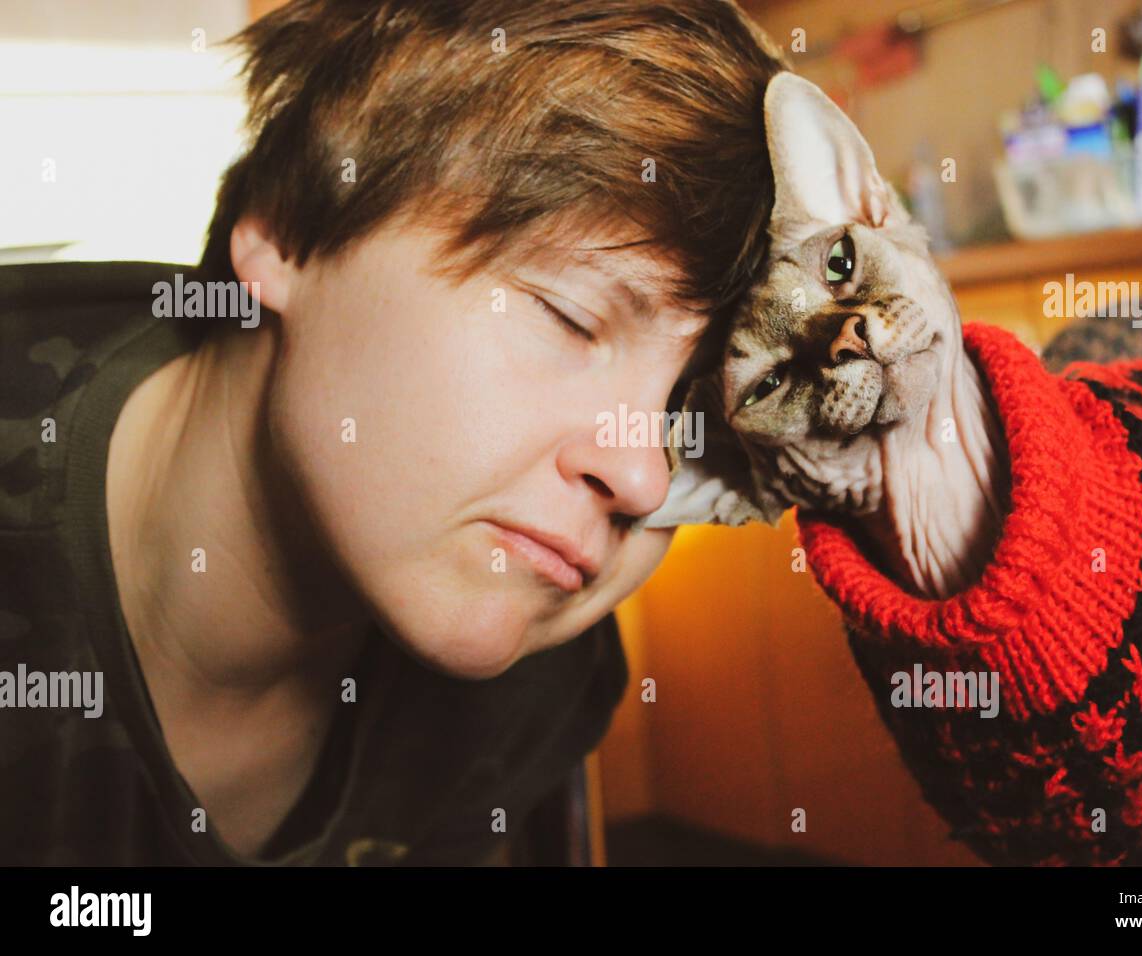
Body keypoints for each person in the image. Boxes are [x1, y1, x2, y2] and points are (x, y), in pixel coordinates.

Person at [0, 0, 789, 865]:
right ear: (293, 227)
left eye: (691, 415)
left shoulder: (539, 684)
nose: (644, 478)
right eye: (568, 317)